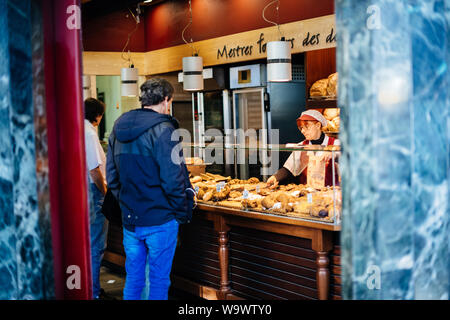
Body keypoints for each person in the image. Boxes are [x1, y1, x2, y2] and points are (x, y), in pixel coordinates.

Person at [106, 78, 194, 300]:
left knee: (134, 278)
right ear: (166, 100)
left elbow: (112, 177)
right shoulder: (165, 129)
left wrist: (127, 203)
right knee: (158, 280)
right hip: (160, 220)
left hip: (131, 221)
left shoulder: (117, 126)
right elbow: (173, 180)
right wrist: (182, 213)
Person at [267, 109, 340, 188]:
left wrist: (333, 154)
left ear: (318, 125)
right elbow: (289, 168)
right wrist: (275, 177)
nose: (303, 131)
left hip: (330, 193)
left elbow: (346, 161)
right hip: (307, 194)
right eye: (301, 128)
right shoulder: (301, 146)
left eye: (307, 127)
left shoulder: (335, 143)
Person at [84, 97, 108, 300]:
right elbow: (94, 170)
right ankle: (92, 292)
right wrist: (105, 192)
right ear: (98, 116)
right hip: (93, 192)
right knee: (96, 245)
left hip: (82, 191)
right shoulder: (90, 133)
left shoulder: (75, 129)